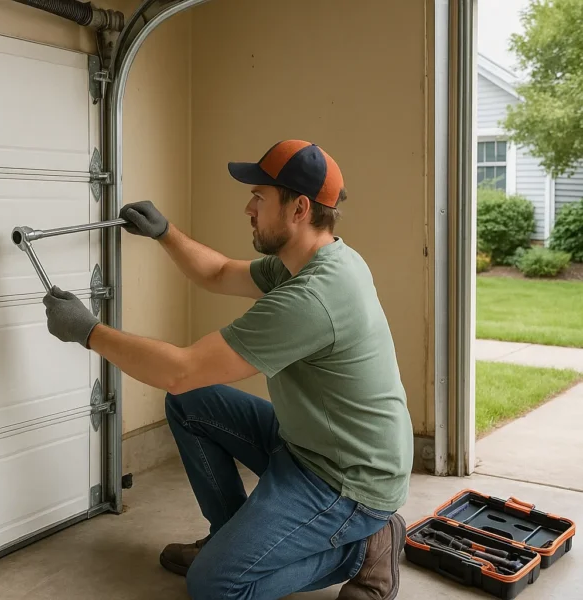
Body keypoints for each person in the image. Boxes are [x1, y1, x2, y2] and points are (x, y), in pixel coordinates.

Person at [41, 139, 414, 600]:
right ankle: (229, 536)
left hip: (347, 480)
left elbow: (181, 369)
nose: (248, 208)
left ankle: (363, 549)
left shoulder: (313, 298)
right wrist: (164, 232)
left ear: (298, 209)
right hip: (311, 443)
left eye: (259, 197)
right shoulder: (306, 260)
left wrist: (89, 332)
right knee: (189, 405)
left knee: (216, 586)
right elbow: (218, 273)